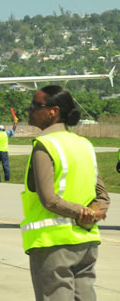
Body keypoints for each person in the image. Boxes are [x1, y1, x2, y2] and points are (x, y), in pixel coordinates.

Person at [22, 85, 110, 301]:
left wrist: (82, 212)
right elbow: (103, 197)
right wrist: (91, 214)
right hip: (86, 242)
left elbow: (49, 200)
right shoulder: (85, 145)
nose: (30, 109)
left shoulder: (45, 145)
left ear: (53, 111)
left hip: (53, 245)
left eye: (36, 105)